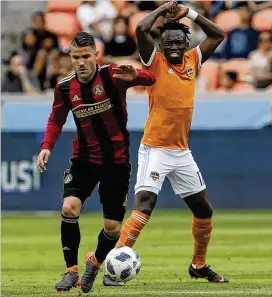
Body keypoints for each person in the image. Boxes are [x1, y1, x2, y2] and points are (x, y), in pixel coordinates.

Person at [105, 0, 229, 284]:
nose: (174, 46)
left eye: (179, 42)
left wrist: (191, 13)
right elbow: (140, 28)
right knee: (145, 203)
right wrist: (162, 11)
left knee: (203, 210)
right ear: (160, 45)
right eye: (168, 42)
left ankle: (198, 265)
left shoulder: (192, 61)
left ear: (187, 43)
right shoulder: (155, 61)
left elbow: (218, 35)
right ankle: (115, 264)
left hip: (181, 151)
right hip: (155, 148)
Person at [37, 31, 155, 293]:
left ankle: (95, 261)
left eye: (86, 57)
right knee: (69, 207)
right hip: (85, 159)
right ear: (70, 58)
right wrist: (46, 147)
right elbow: (56, 119)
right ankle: (70, 272)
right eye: (76, 57)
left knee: (112, 229)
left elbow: (152, 79)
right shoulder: (65, 87)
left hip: (117, 162)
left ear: (96, 56)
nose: (81, 62)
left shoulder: (113, 75)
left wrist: (136, 74)